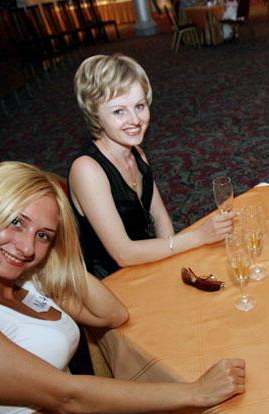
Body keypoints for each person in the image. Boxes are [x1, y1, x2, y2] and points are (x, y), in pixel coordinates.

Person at [0, 162, 246, 414]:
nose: (26, 247)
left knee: (204, 407)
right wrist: (196, 391)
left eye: (43, 235)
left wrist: (57, 256)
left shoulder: (23, 284)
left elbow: (111, 314)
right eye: (16, 222)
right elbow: (66, 396)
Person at [70, 54, 234, 279]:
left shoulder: (136, 153)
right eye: (119, 111)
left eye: (139, 106)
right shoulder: (87, 169)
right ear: (95, 116)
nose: (135, 120)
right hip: (114, 281)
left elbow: (159, 216)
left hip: (147, 263)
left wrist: (172, 265)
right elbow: (123, 253)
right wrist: (198, 237)